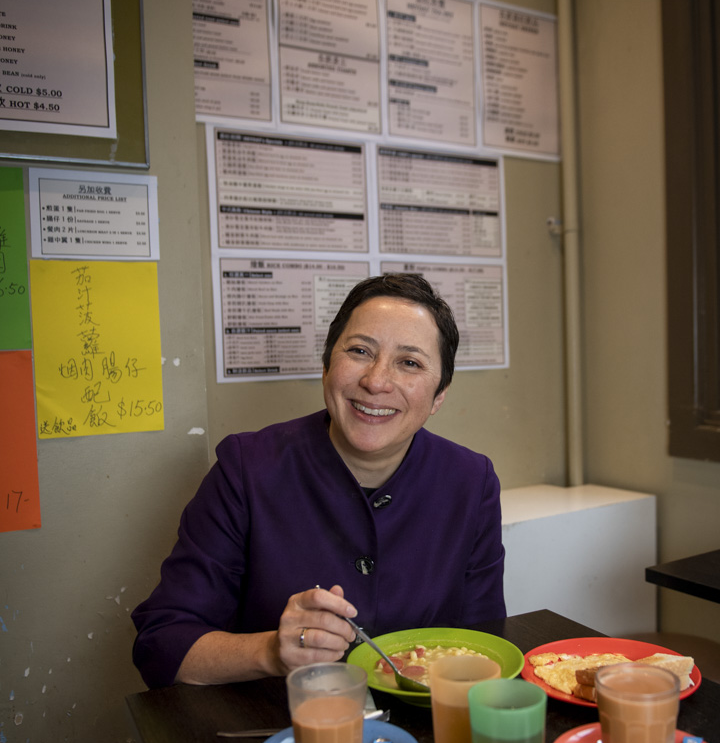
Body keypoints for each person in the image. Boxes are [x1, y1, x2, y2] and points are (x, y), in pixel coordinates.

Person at [131, 273, 505, 688]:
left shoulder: (471, 482)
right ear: (327, 365)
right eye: (360, 351)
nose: (377, 381)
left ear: (439, 396)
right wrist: (270, 651)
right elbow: (161, 644)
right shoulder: (247, 468)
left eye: (410, 363)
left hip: (424, 731)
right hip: (276, 732)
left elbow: (485, 642)